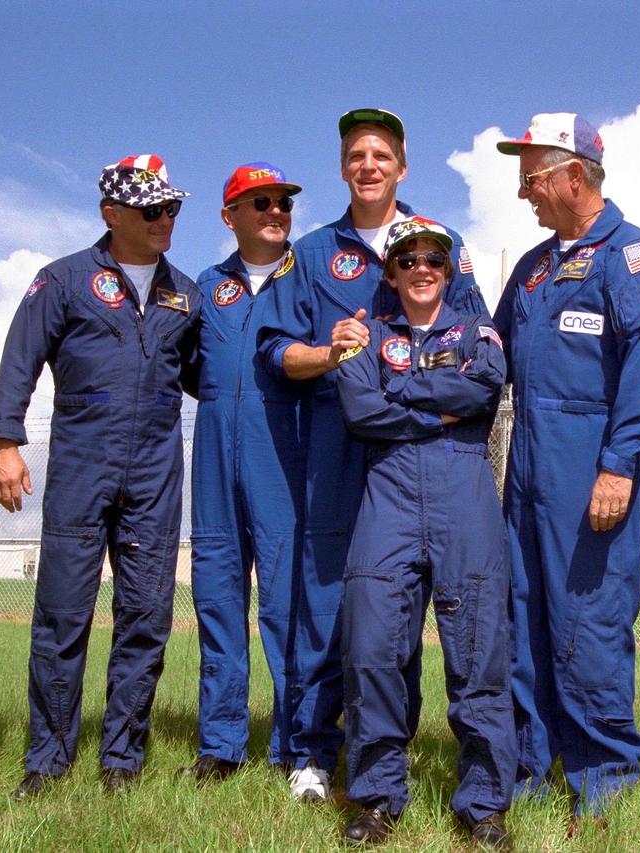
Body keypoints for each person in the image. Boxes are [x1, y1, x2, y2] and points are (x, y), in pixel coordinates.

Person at [258, 108, 487, 800]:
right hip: (338, 444)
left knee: (406, 606)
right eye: (356, 154)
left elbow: (476, 340)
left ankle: (391, 749)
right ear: (342, 166)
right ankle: (313, 750)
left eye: (381, 154)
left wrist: (426, 409)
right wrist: (330, 353)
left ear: (402, 165)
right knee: (331, 598)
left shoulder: (439, 243)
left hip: (419, 456)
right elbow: (277, 350)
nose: (368, 165)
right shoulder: (315, 251)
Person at [0, 154, 201, 797]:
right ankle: (47, 761)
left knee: (145, 616)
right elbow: (19, 360)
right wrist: (5, 443)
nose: (165, 219)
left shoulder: (184, 293)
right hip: (82, 465)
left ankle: (122, 761)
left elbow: (204, 376)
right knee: (62, 615)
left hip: (156, 472)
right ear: (112, 214)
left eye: (172, 208)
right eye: (151, 209)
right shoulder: (62, 280)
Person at [493, 113, 640, 822]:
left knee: (589, 622)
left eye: (531, 178)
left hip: (589, 467)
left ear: (573, 175)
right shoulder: (534, 268)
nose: (523, 193)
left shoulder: (632, 256)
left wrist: (618, 465)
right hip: (526, 473)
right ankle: (529, 768)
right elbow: (492, 346)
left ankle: (605, 783)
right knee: (525, 618)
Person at [335, 217, 515, 850]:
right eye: (406, 260)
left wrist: (400, 396)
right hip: (387, 496)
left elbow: (482, 388)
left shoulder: (478, 332)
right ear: (390, 273)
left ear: (448, 269)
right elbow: (359, 409)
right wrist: (434, 408)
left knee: (479, 650)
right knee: (373, 648)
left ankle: (485, 804)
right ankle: (378, 796)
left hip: (462, 491)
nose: (420, 269)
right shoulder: (364, 337)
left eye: (433, 260)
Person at [178, 163, 305, 784]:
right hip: (213, 458)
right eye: (259, 203)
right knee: (218, 597)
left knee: (286, 604)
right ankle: (221, 744)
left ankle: (293, 747)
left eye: (282, 201)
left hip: (283, 458)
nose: (275, 211)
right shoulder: (206, 286)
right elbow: (185, 364)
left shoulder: (306, 278)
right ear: (230, 216)